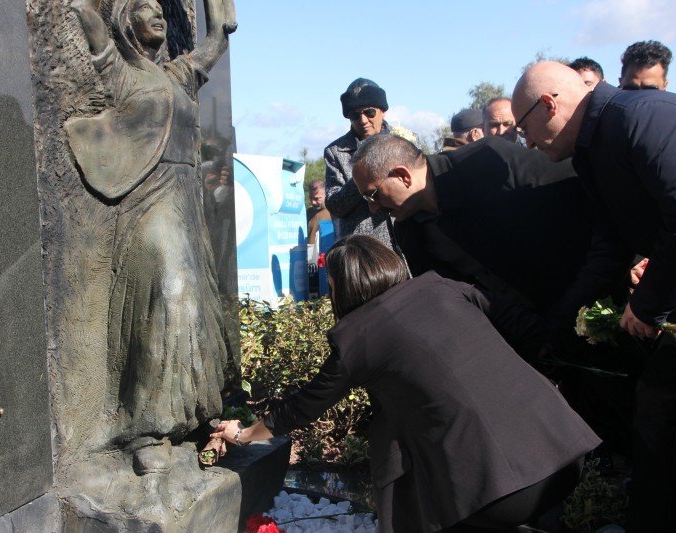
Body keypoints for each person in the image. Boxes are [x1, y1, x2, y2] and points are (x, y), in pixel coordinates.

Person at [212, 236, 600, 532]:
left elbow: (301, 407)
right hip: (565, 451)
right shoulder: (447, 288)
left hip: (502, 490)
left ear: (341, 287)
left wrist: (245, 435)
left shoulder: (357, 338)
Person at [67, 0, 236, 473]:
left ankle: (176, 427)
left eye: (161, 9)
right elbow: (91, 28)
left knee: (191, 312)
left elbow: (214, 44)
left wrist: (219, 15)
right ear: (127, 21)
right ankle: (143, 431)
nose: (158, 15)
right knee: (167, 301)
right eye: (145, 9)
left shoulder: (180, 74)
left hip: (186, 204)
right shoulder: (123, 74)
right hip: (149, 204)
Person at [512, 60, 676, 530]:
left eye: (525, 129)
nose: (526, 143)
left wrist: (647, 304)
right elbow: (611, 244)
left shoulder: (640, 118)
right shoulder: (590, 150)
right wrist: (562, 321)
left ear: (549, 104)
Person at [350, 133, 605, 344]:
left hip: (598, 303)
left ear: (403, 175)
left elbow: (586, 193)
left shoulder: (487, 161)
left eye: (373, 195)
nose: (373, 208)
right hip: (531, 342)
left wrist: (628, 260)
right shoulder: (410, 231)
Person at [324, 78, 394, 245]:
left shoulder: (405, 142)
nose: (363, 120)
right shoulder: (335, 151)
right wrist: (361, 177)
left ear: (382, 111)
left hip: (405, 244)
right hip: (362, 250)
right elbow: (335, 206)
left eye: (369, 112)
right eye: (355, 115)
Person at [306, 179, 331, 246]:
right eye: (310, 198)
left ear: (326, 194)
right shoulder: (309, 212)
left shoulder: (334, 212)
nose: (313, 202)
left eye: (317, 199)